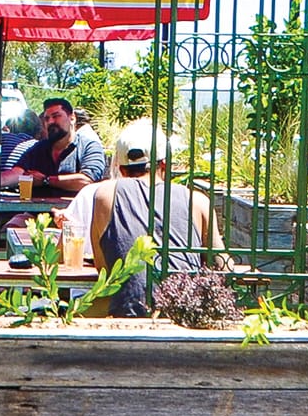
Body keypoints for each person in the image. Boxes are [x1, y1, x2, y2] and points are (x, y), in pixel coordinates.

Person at [90, 119, 215, 317]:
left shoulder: (105, 195)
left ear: (121, 169)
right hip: (186, 316)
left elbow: (103, 269)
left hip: (130, 316)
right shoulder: (197, 201)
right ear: (165, 164)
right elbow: (219, 263)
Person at [16, 97, 107, 196]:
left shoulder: (89, 146)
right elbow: (16, 172)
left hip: (73, 210)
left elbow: (87, 181)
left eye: (56, 116)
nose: (50, 122)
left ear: (72, 118)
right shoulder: (38, 148)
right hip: (35, 210)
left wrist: (46, 180)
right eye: (46, 119)